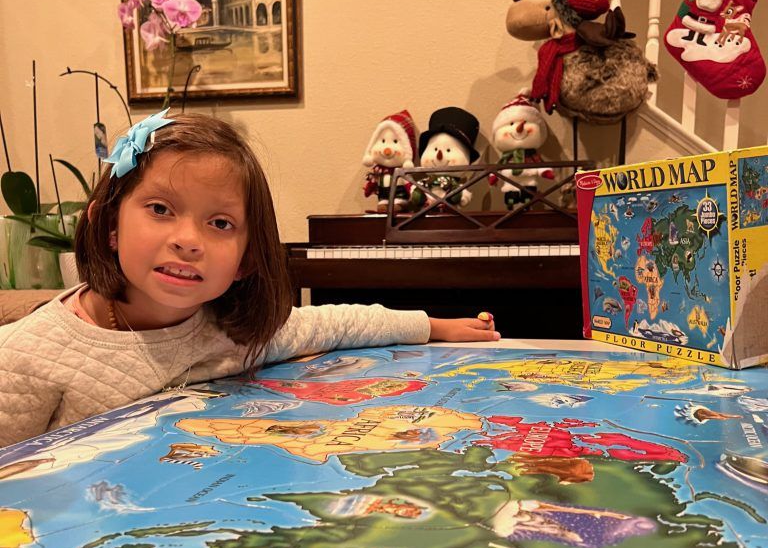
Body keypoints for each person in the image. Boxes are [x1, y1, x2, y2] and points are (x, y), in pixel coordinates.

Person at [0, 111, 499, 449]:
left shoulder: (235, 330)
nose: (188, 239)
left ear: (245, 261)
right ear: (108, 225)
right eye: (160, 209)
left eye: (220, 224)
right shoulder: (26, 355)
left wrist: (430, 325)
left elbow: (334, 324)